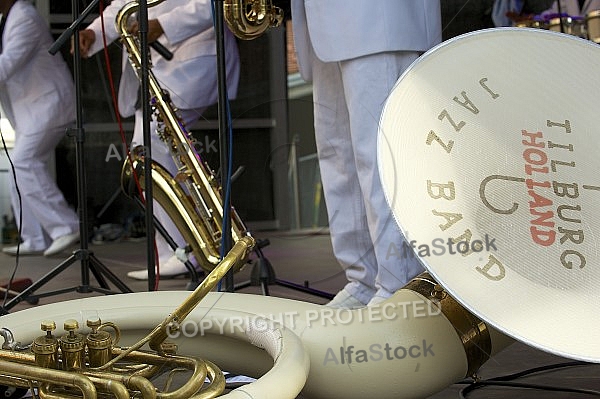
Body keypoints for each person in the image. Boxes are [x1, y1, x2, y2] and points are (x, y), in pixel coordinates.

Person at [290, 0, 442, 308]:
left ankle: (400, 284)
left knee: (379, 157)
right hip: (325, 23)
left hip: (377, 17)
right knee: (338, 157)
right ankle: (363, 279)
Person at [76, 0, 240, 280]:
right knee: (154, 154)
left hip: (193, 62)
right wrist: (94, 32)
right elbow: (123, 6)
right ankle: (187, 249)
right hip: (154, 71)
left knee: (151, 150)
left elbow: (215, 4)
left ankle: (187, 250)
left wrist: (164, 25)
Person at [0, 0, 80, 257]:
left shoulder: (25, 15)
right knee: (18, 166)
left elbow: (7, 64)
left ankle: (65, 226)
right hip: (32, 109)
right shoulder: (9, 17)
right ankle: (34, 237)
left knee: (24, 161)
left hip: (49, 103)